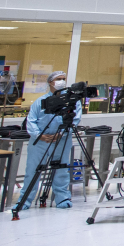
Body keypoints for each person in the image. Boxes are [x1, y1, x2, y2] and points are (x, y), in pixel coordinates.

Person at [15, 71, 80, 211]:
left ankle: (62, 198)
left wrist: (61, 134)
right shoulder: (40, 101)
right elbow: (31, 121)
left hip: (61, 140)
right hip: (40, 141)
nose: (62, 81)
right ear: (50, 82)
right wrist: (40, 135)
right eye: (58, 79)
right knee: (32, 170)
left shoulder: (72, 101)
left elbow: (75, 119)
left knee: (61, 169)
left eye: (63, 79)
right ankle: (25, 200)